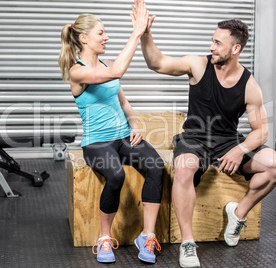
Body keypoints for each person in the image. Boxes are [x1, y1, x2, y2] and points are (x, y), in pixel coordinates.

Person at [140, 6, 276, 268]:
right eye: (212, 41)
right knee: (184, 169)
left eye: (218, 43)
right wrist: (144, 34)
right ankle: (187, 242)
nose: (212, 46)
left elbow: (262, 131)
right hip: (194, 138)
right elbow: (157, 62)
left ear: (236, 48)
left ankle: (238, 215)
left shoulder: (249, 86)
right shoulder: (199, 65)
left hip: (228, 141)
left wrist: (240, 149)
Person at [58, 0, 163, 264]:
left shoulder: (105, 67)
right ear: (83, 38)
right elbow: (119, 70)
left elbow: (123, 101)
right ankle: (104, 237)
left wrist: (135, 125)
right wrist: (137, 32)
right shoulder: (78, 71)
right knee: (115, 175)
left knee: (156, 166)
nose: (106, 37)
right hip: (97, 144)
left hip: (124, 137)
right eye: (101, 33)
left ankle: (147, 235)